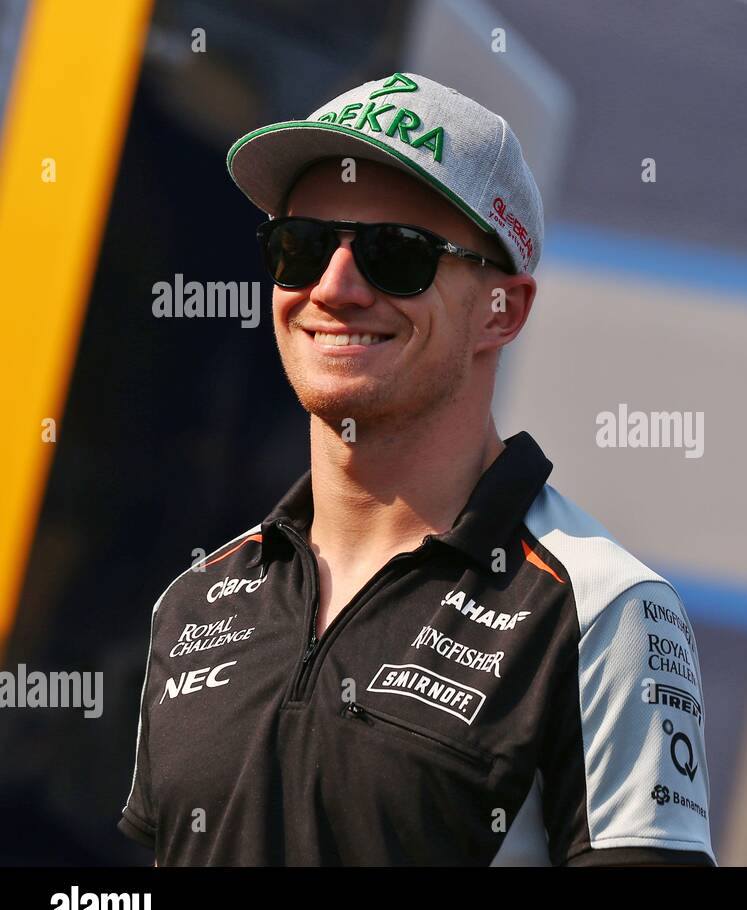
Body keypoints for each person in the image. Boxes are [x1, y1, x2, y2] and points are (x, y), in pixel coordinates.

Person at [118, 72, 714, 865]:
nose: (332, 287)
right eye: (299, 246)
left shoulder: (603, 612)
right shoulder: (192, 605)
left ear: (503, 309)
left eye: (393, 255)